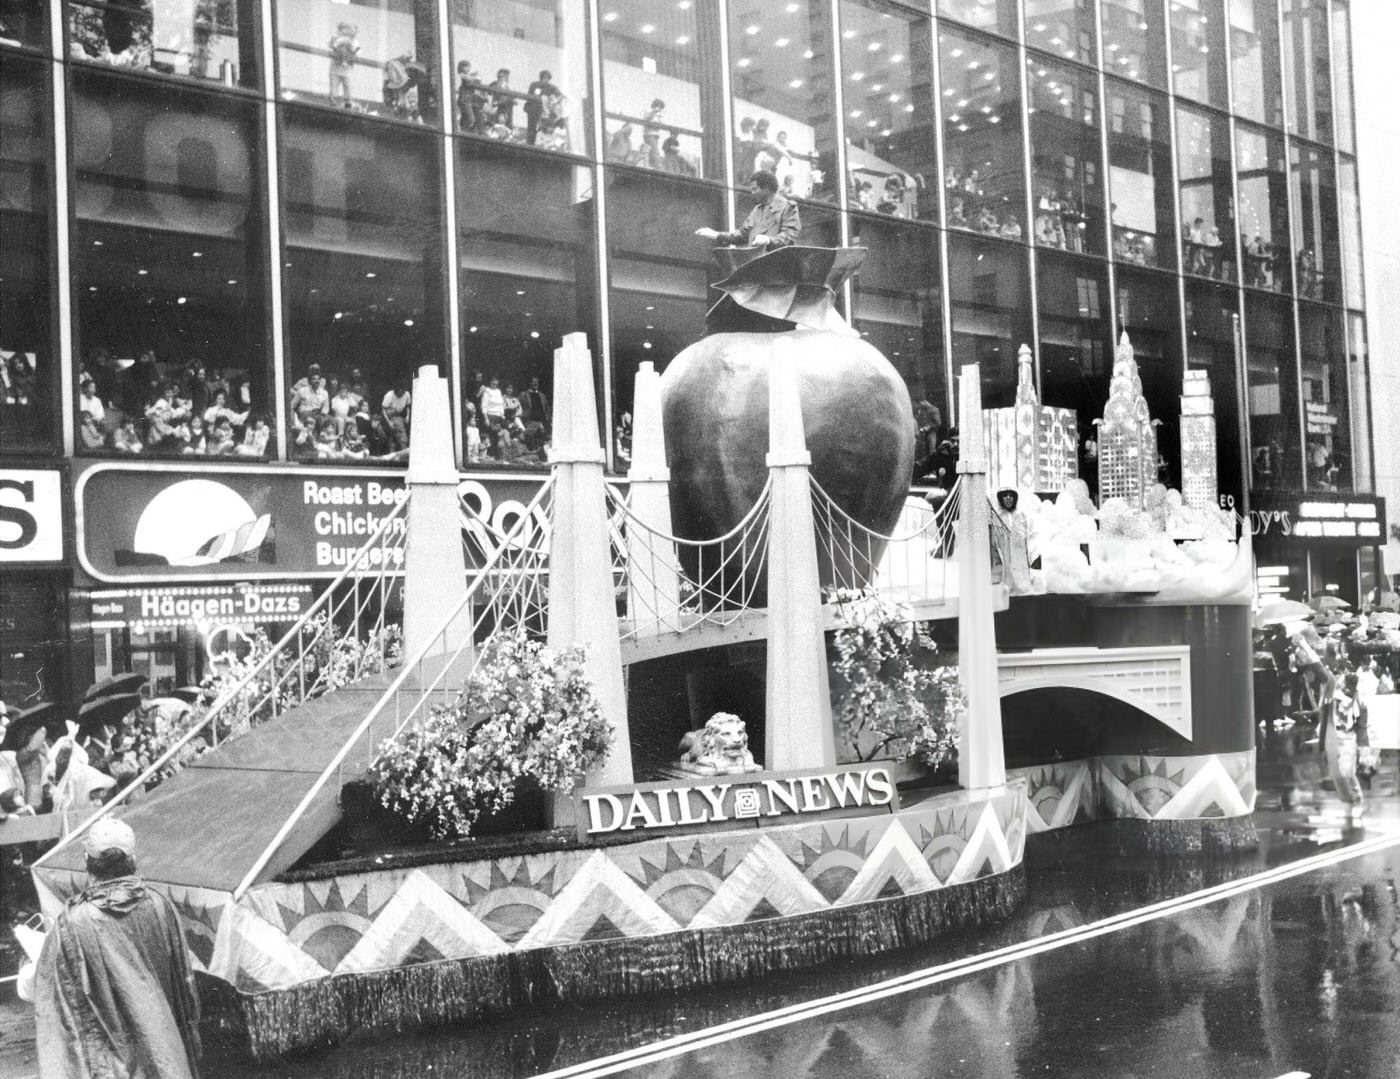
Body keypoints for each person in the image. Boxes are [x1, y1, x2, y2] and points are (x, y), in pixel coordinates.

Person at [35, 817, 202, 1078]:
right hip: (163, 1053)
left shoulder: (74, 922)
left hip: (108, 1061)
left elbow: (59, 1007)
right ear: (133, 861)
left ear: (87, 862)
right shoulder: (160, 905)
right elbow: (182, 988)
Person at [694, 169, 800, 249]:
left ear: (766, 187)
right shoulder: (757, 210)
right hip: (756, 266)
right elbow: (742, 235)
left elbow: (789, 236)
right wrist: (717, 235)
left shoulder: (787, 207)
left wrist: (769, 240)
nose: (752, 193)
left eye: (755, 189)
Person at [328, 22, 358, 108]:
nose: (349, 33)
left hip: (346, 70)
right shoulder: (335, 38)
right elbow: (331, 46)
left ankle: (347, 103)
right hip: (335, 68)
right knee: (334, 87)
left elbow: (357, 54)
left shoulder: (354, 42)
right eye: (343, 30)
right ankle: (333, 104)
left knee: (347, 87)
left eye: (352, 32)